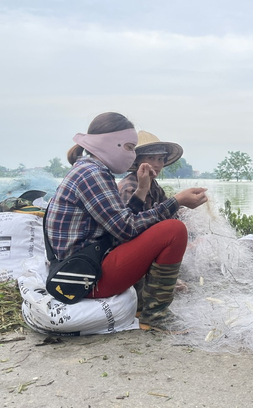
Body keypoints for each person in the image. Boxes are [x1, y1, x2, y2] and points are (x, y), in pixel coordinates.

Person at [44, 112, 208, 329]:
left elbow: (118, 223)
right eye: (129, 147)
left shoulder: (90, 170)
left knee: (161, 228)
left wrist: (141, 191)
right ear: (111, 143)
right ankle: (155, 316)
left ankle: (142, 307)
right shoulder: (93, 174)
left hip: (86, 269)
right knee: (173, 230)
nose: (131, 155)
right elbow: (127, 230)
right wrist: (177, 201)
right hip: (87, 280)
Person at [118, 130, 184, 212]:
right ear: (137, 160)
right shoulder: (128, 187)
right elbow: (130, 222)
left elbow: (167, 209)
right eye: (151, 158)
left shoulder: (153, 185)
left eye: (160, 159)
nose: (157, 164)